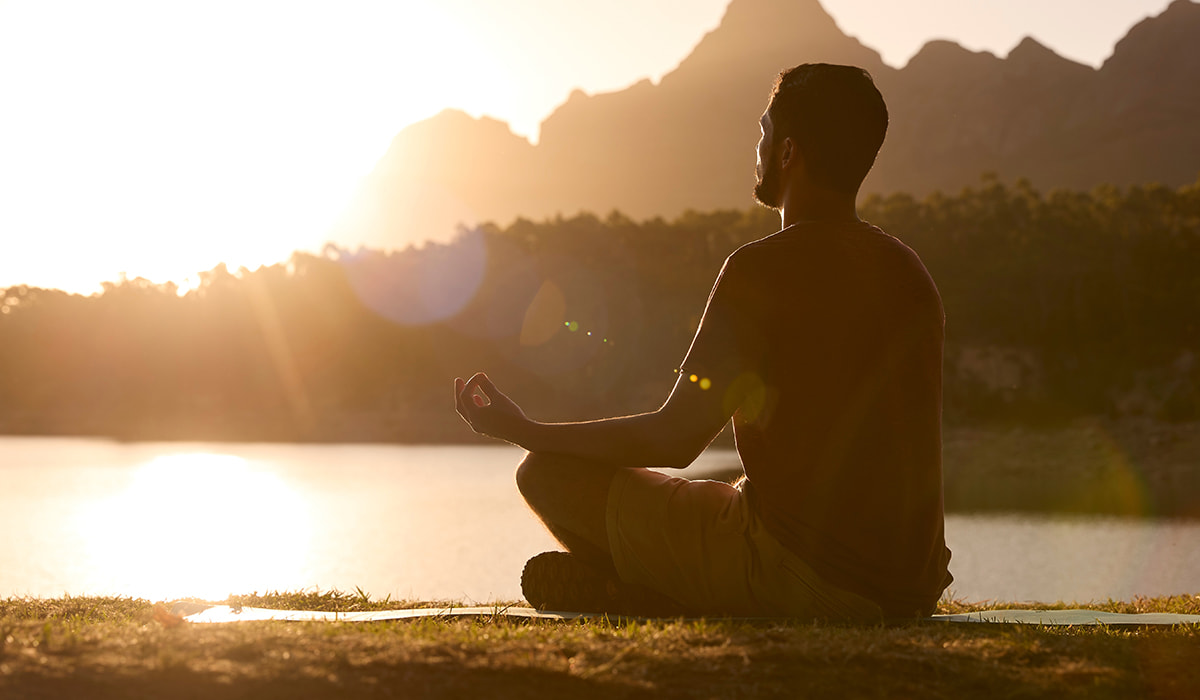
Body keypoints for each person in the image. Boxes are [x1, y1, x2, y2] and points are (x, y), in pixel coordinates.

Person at [454, 63, 953, 621]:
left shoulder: (762, 270)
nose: (757, 148)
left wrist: (525, 431)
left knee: (545, 473)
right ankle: (657, 584)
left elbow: (675, 437)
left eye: (764, 133)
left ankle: (653, 598)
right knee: (724, 499)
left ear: (788, 152)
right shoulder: (909, 272)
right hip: (911, 588)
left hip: (807, 579)